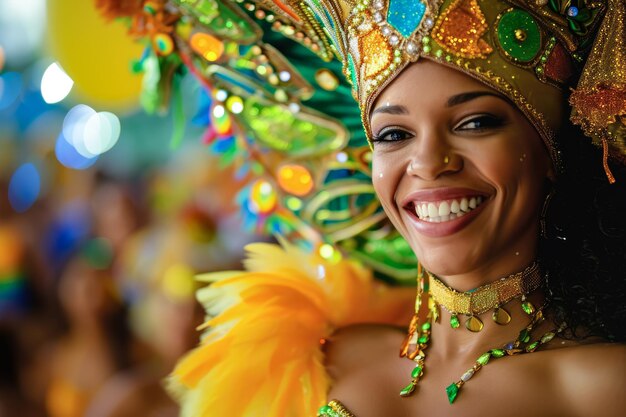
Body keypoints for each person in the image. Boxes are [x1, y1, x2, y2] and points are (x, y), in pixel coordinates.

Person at [96, 0, 626, 415]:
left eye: (475, 123)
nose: (428, 162)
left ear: (549, 148)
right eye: (394, 134)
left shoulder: (605, 388)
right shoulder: (309, 357)